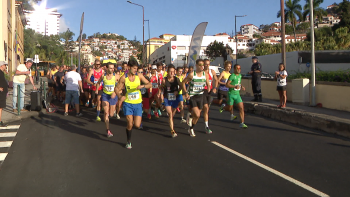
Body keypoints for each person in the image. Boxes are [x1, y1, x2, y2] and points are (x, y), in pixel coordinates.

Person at [115, 60, 151, 149]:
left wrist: (142, 86)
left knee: (137, 125)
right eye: (134, 68)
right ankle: (128, 141)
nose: (136, 70)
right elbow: (116, 88)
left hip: (138, 103)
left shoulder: (139, 76)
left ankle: (130, 131)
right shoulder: (124, 78)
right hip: (128, 103)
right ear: (129, 68)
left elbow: (150, 84)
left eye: (136, 68)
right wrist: (120, 96)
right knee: (130, 124)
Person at [182, 59, 210, 137]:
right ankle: (191, 127)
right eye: (200, 65)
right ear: (196, 66)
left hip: (200, 96)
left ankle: (191, 126)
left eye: (203, 65)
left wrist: (209, 88)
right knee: (197, 114)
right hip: (192, 96)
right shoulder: (192, 74)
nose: (202, 66)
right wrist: (186, 92)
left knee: (198, 115)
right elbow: (183, 83)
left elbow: (208, 83)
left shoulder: (206, 74)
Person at [220, 64, 248, 128]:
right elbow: (227, 85)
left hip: (237, 94)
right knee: (229, 108)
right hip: (231, 94)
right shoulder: (232, 76)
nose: (239, 70)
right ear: (234, 69)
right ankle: (223, 107)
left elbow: (238, 83)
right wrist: (234, 86)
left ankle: (242, 123)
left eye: (240, 68)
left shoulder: (240, 76)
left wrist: (242, 86)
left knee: (241, 108)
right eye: (237, 68)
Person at [96, 63, 119, 138]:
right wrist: (97, 89)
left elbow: (120, 86)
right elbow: (98, 82)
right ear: (107, 68)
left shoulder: (116, 76)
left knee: (111, 114)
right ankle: (108, 130)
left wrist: (115, 93)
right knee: (106, 112)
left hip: (113, 96)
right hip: (105, 95)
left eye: (113, 68)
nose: (112, 69)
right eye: (110, 68)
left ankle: (112, 112)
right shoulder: (103, 76)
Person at [159, 64, 182, 137]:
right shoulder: (164, 80)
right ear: (167, 72)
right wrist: (160, 94)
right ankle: (172, 131)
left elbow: (182, 86)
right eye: (170, 72)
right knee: (170, 114)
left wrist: (177, 91)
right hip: (167, 98)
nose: (172, 73)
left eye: (173, 72)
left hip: (174, 98)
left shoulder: (176, 79)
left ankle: (170, 120)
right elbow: (161, 87)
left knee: (172, 114)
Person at [203, 59, 218, 133]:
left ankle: (206, 126)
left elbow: (216, 79)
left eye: (208, 64)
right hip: (202, 91)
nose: (207, 65)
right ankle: (191, 116)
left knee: (206, 109)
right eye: (205, 64)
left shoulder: (212, 72)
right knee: (202, 109)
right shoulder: (201, 72)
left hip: (209, 91)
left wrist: (215, 88)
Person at [0, 61, 9, 127]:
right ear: (1, 66)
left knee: (1, 107)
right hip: (1, 92)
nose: (5, 67)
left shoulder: (1, 73)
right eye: (5, 65)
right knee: (0, 107)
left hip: (3, 92)